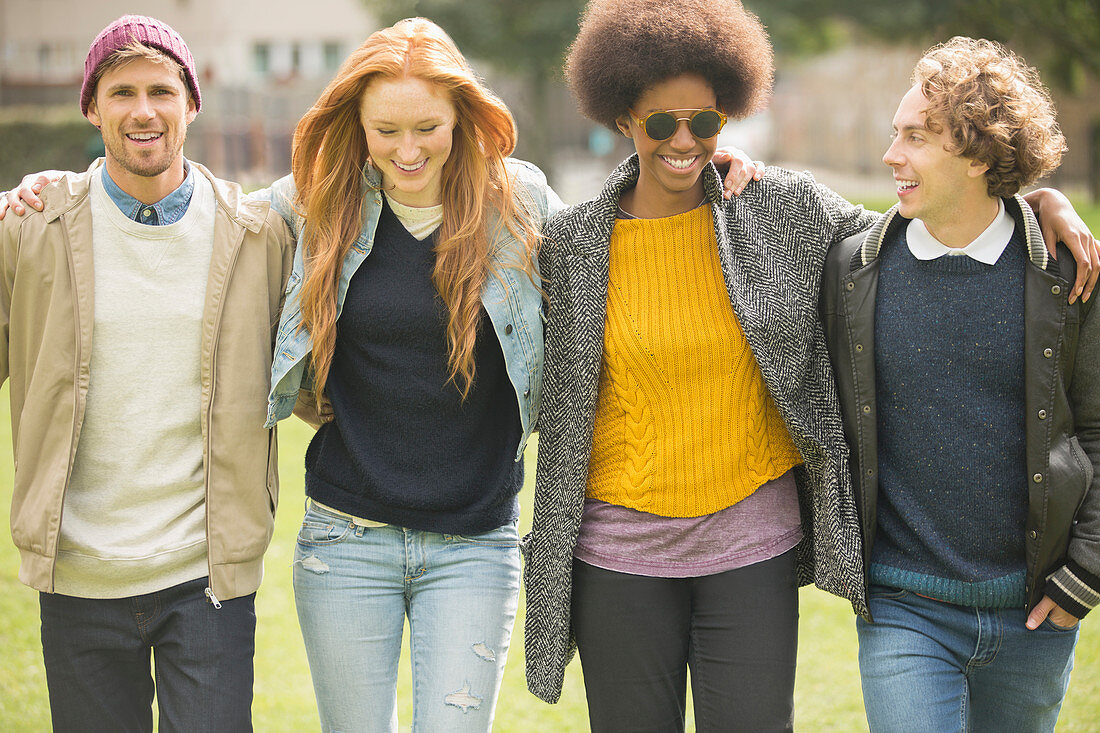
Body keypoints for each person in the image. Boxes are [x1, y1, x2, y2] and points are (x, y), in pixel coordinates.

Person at [521, 1, 1098, 731]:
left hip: (750, 546)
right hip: (617, 552)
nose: (685, 140)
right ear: (622, 119)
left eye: (705, 120)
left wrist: (1033, 198)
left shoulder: (778, 208)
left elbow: (926, 226)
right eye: (661, 123)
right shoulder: (572, 244)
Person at [0, 15, 294, 733]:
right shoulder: (32, 229)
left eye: (161, 90)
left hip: (207, 578)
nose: (143, 111)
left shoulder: (253, 233)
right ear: (93, 108)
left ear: (191, 104)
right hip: (79, 574)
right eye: (121, 91)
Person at [821, 37, 1099, 732]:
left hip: (1034, 613)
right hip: (902, 609)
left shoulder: (1065, 277)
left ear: (977, 156)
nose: (892, 155)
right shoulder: (854, 270)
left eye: (916, 137)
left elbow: (1094, 428)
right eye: (895, 133)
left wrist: (1084, 575)